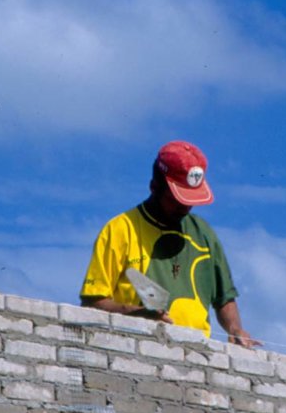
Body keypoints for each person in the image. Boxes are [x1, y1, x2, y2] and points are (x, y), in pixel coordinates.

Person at [80, 140, 260, 347]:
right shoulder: (120, 230)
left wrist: (235, 328)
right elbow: (91, 303)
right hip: (136, 348)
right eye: (177, 199)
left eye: (191, 200)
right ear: (154, 187)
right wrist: (138, 315)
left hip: (197, 353)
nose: (185, 207)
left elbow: (224, 299)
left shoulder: (204, 234)